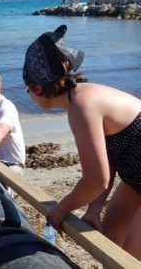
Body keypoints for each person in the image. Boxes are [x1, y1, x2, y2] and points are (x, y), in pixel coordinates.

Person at [23, 24, 141, 259]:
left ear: (37, 87)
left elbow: (96, 180)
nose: (28, 93)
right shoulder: (80, 97)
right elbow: (107, 160)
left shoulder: (81, 106)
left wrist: (60, 210)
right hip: (134, 176)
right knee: (109, 245)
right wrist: (94, 208)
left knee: (128, 258)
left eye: (27, 89)